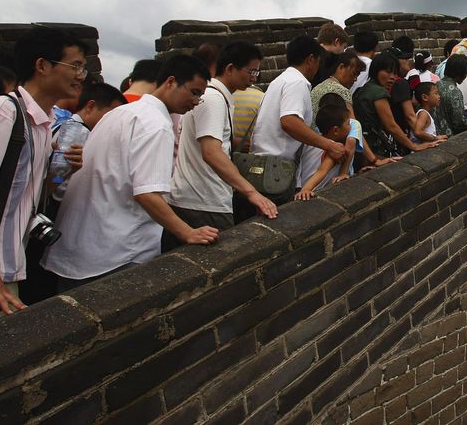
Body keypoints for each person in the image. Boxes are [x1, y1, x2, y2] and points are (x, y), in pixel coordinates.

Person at [42, 55, 220, 291]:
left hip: (79, 244)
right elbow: (147, 194)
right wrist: (187, 232)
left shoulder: (121, 112)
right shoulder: (156, 125)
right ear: (170, 82)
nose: (196, 101)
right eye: (194, 92)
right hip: (115, 251)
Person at [0, 27, 88, 314]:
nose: (80, 76)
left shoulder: (43, 125)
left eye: (83, 68)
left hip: (14, 264)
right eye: (75, 66)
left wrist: (64, 173)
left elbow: (29, 195)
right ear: (42, 66)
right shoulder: (6, 113)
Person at [168, 42, 277, 250]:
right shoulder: (213, 99)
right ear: (229, 69)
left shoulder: (212, 97)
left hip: (196, 199)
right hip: (203, 202)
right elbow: (211, 152)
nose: (254, 77)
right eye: (251, 71)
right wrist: (252, 193)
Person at [248, 36, 345, 206]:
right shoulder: (297, 83)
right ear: (311, 59)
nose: (318, 68)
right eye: (318, 62)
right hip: (276, 171)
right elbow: (289, 121)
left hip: (263, 166)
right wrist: (328, 145)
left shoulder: (279, 81)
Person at [354, 52, 437, 157]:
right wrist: (414, 146)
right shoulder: (379, 93)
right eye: (388, 72)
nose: (392, 77)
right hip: (373, 148)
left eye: (394, 73)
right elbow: (391, 126)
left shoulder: (365, 88)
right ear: (376, 70)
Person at [294, 94, 354, 199]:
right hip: (313, 191)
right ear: (336, 130)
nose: (351, 127)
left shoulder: (311, 141)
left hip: (299, 186)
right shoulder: (335, 149)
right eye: (348, 124)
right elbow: (322, 170)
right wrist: (306, 190)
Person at [436, 54, 467, 136]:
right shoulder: (455, 92)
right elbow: (458, 122)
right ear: (460, 74)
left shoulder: (437, 85)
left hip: (436, 133)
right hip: (449, 136)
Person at [311, 50, 364, 120]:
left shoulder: (317, 88)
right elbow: (352, 123)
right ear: (341, 67)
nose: (355, 79)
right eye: (354, 74)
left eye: (357, 76)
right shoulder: (342, 91)